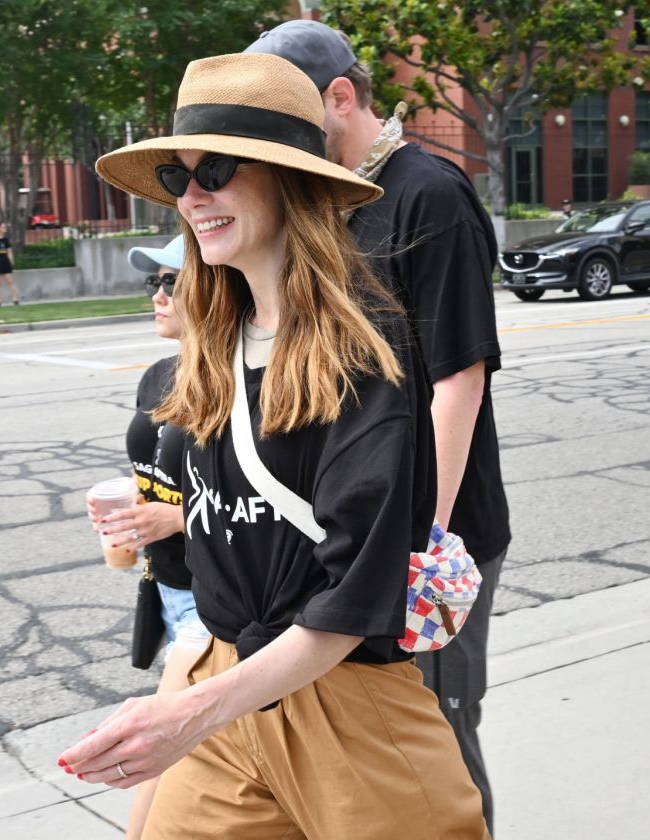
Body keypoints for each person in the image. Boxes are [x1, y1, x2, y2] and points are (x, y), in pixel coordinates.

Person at [59, 52, 488, 839]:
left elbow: (350, 600)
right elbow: (249, 516)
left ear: (289, 181)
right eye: (176, 177)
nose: (191, 195)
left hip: (345, 706)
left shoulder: (362, 360)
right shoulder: (213, 346)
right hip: (221, 680)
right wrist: (167, 512)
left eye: (215, 169)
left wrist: (191, 713)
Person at [247, 20, 511, 833]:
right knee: (367, 743)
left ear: (340, 97)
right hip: (350, 532)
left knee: (435, 739)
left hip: (431, 538)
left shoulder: (427, 193)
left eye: (288, 121)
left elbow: (458, 381)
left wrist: (415, 544)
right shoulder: (324, 197)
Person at [89, 234, 211, 839]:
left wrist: (178, 517)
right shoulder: (160, 375)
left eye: (171, 282)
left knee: (159, 757)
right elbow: (154, 477)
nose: (157, 296)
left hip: (214, 601)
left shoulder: (238, 380)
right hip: (166, 588)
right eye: (153, 284)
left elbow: (267, 505)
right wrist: (132, 516)